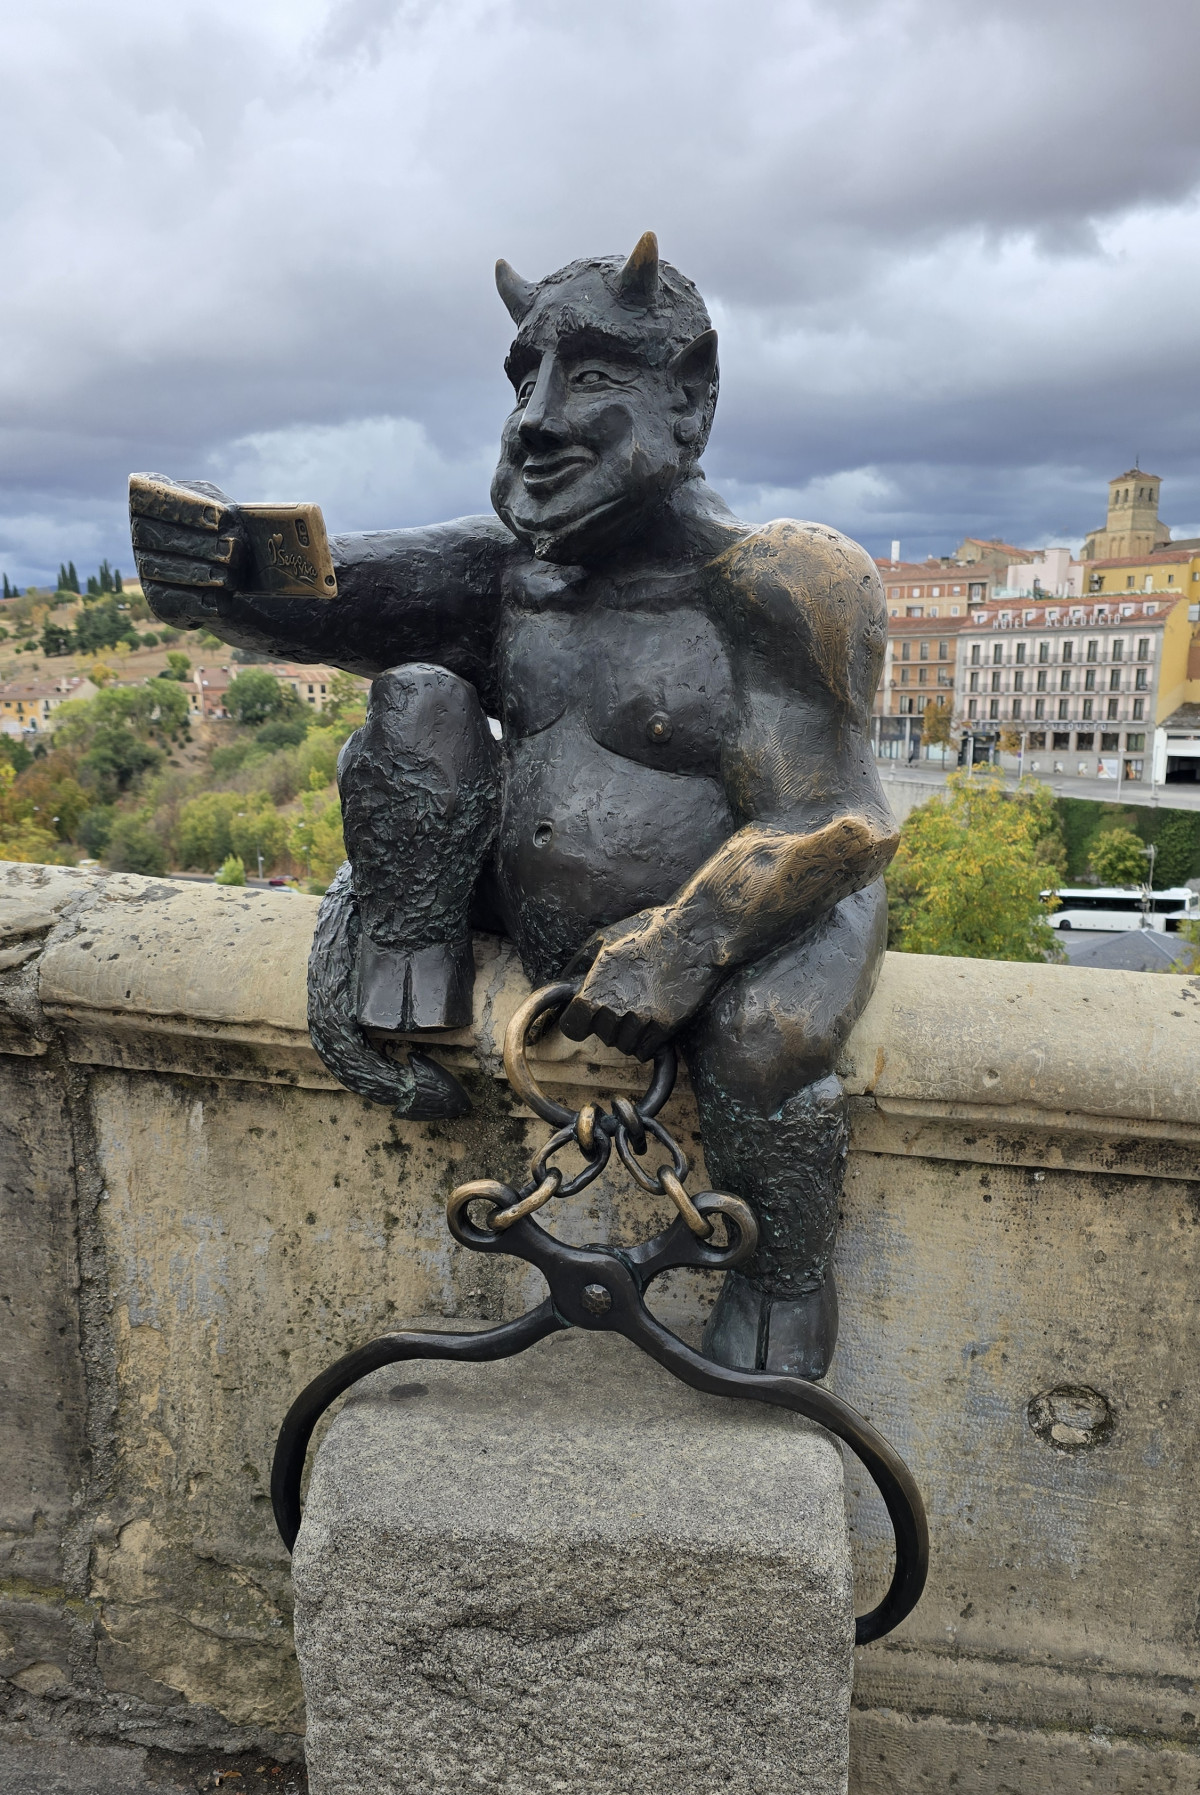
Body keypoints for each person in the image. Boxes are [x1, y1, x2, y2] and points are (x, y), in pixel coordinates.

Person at [130, 234, 897, 1379]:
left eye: (587, 377)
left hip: (745, 910)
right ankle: (406, 963)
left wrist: (684, 947)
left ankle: (781, 1278)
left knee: (764, 1042)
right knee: (415, 702)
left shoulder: (785, 577)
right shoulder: (509, 569)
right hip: (542, 921)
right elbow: (334, 591)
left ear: (689, 396)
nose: (535, 419)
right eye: (525, 378)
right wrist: (216, 568)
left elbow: (838, 821)